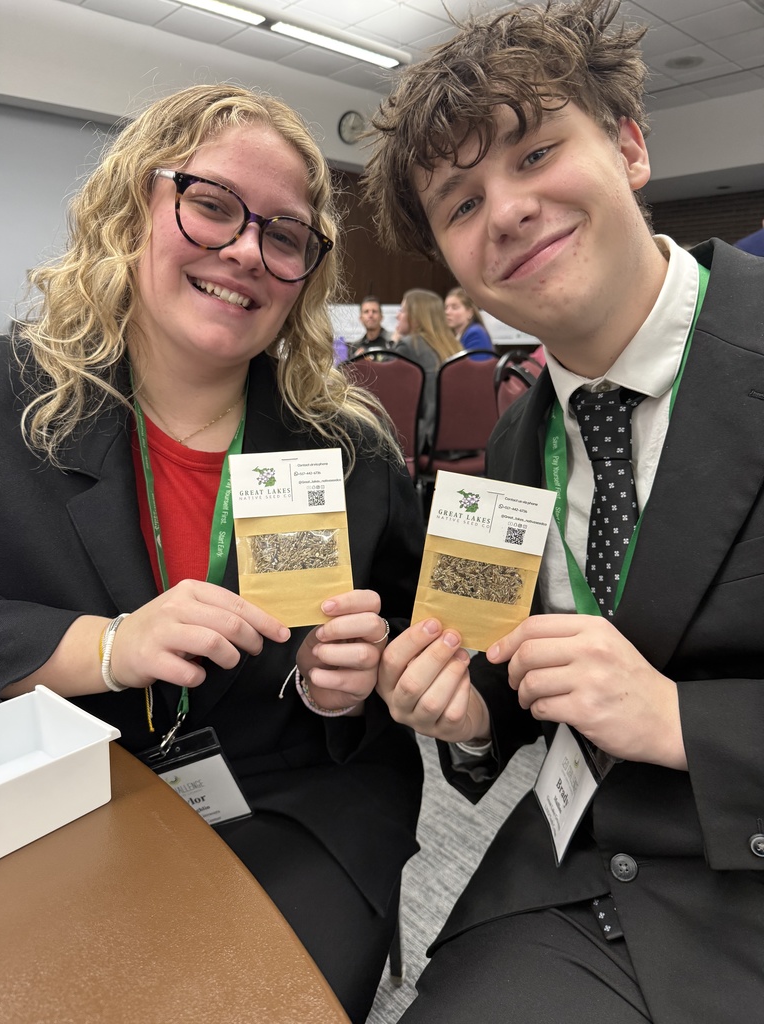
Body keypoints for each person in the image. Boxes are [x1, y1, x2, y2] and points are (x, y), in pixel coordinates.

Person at [363, 1, 764, 1021]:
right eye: (460, 203)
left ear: (628, 144)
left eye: (537, 150)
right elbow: (509, 677)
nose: (504, 211)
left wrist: (686, 723)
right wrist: (464, 717)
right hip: (566, 878)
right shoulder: (510, 444)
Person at [0, 84, 425, 1024]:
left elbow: (407, 638)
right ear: (133, 206)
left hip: (292, 796)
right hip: (47, 796)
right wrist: (105, 648)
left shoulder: (349, 449)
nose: (245, 251)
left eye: (284, 234)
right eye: (212, 204)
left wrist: (348, 679)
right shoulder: (8, 397)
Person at [393, 288, 461, 450]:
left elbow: (389, 398)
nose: (397, 316)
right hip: (458, 441)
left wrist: (394, 343)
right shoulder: (454, 346)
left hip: (423, 441)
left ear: (416, 317)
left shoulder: (409, 345)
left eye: (402, 310)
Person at [444, 286, 494, 359]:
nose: (447, 312)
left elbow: (475, 367)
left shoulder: (475, 333)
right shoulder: (456, 335)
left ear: (469, 312)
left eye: (454, 307)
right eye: (446, 308)